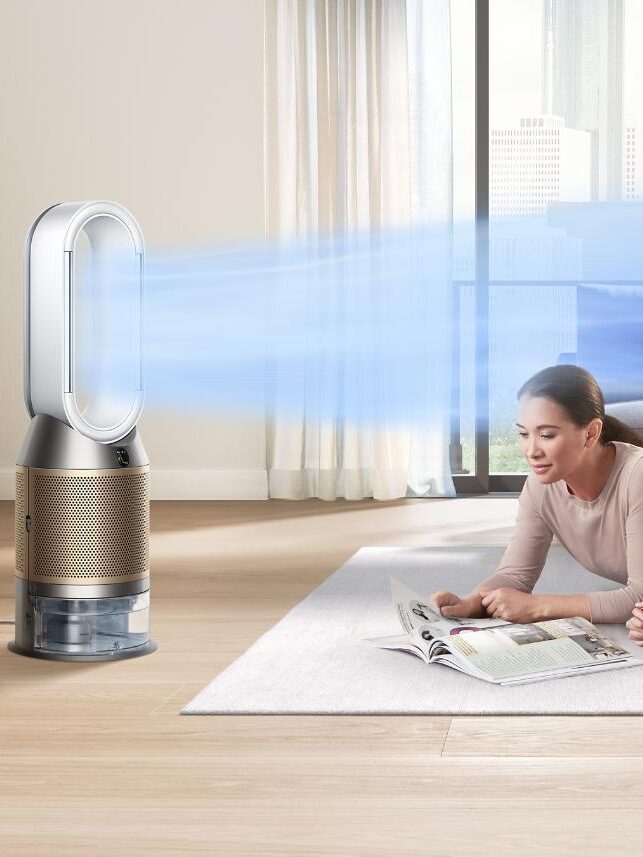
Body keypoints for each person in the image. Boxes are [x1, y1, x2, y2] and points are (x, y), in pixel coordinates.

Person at [430, 364, 643, 646]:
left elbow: (637, 596)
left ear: (591, 433)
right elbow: (515, 575)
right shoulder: (540, 487)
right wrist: (473, 602)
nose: (531, 451)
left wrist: (539, 607)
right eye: (523, 434)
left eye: (546, 435)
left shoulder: (636, 477)